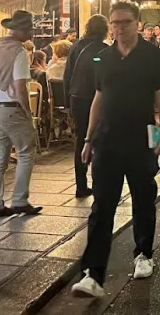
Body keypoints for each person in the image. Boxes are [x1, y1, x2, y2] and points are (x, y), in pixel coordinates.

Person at [71, 1, 160, 299]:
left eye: (125, 23)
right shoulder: (102, 58)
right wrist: (88, 140)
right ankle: (93, 273)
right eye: (114, 24)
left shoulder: (152, 55)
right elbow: (98, 100)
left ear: (137, 23)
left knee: (143, 198)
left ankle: (143, 253)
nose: (118, 28)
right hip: (107, 141)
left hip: (142, 137)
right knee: (102, 206)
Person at [0, 10, 42, 217]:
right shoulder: (19, 52)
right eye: (28, 29)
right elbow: (20, 88)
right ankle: (19, 200)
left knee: (0, 155)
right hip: (11, 109)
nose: (31, 33)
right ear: (21, 30)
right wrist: (29, 114)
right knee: (26, 151)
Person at [65, 15, 109, 198]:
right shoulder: (105, 49)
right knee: (100, 139)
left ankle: (81, 185)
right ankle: (100, 182)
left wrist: (67, 103)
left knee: (81, 139)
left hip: (76, 98)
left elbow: (67, 74)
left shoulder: (75, 46)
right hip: (96, 99)